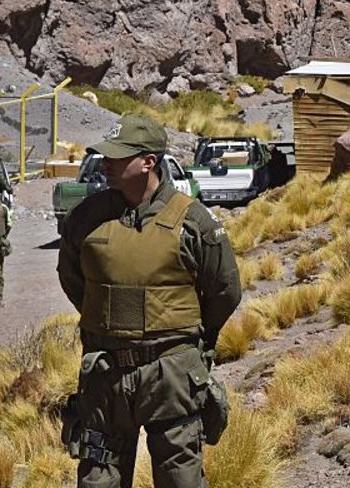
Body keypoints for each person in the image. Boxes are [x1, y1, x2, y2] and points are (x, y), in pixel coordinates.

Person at [57, 114, 241, 488]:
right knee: (98, 479)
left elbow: (224, 289)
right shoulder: (86, 218)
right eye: (104, 155)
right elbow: (73, 279)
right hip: (105, 375)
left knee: (180, 478)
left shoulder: (193, 219)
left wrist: (190, 341)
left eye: (117, 156)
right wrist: (108, 324)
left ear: (148, 162)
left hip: (170, 375)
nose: (105, 162)